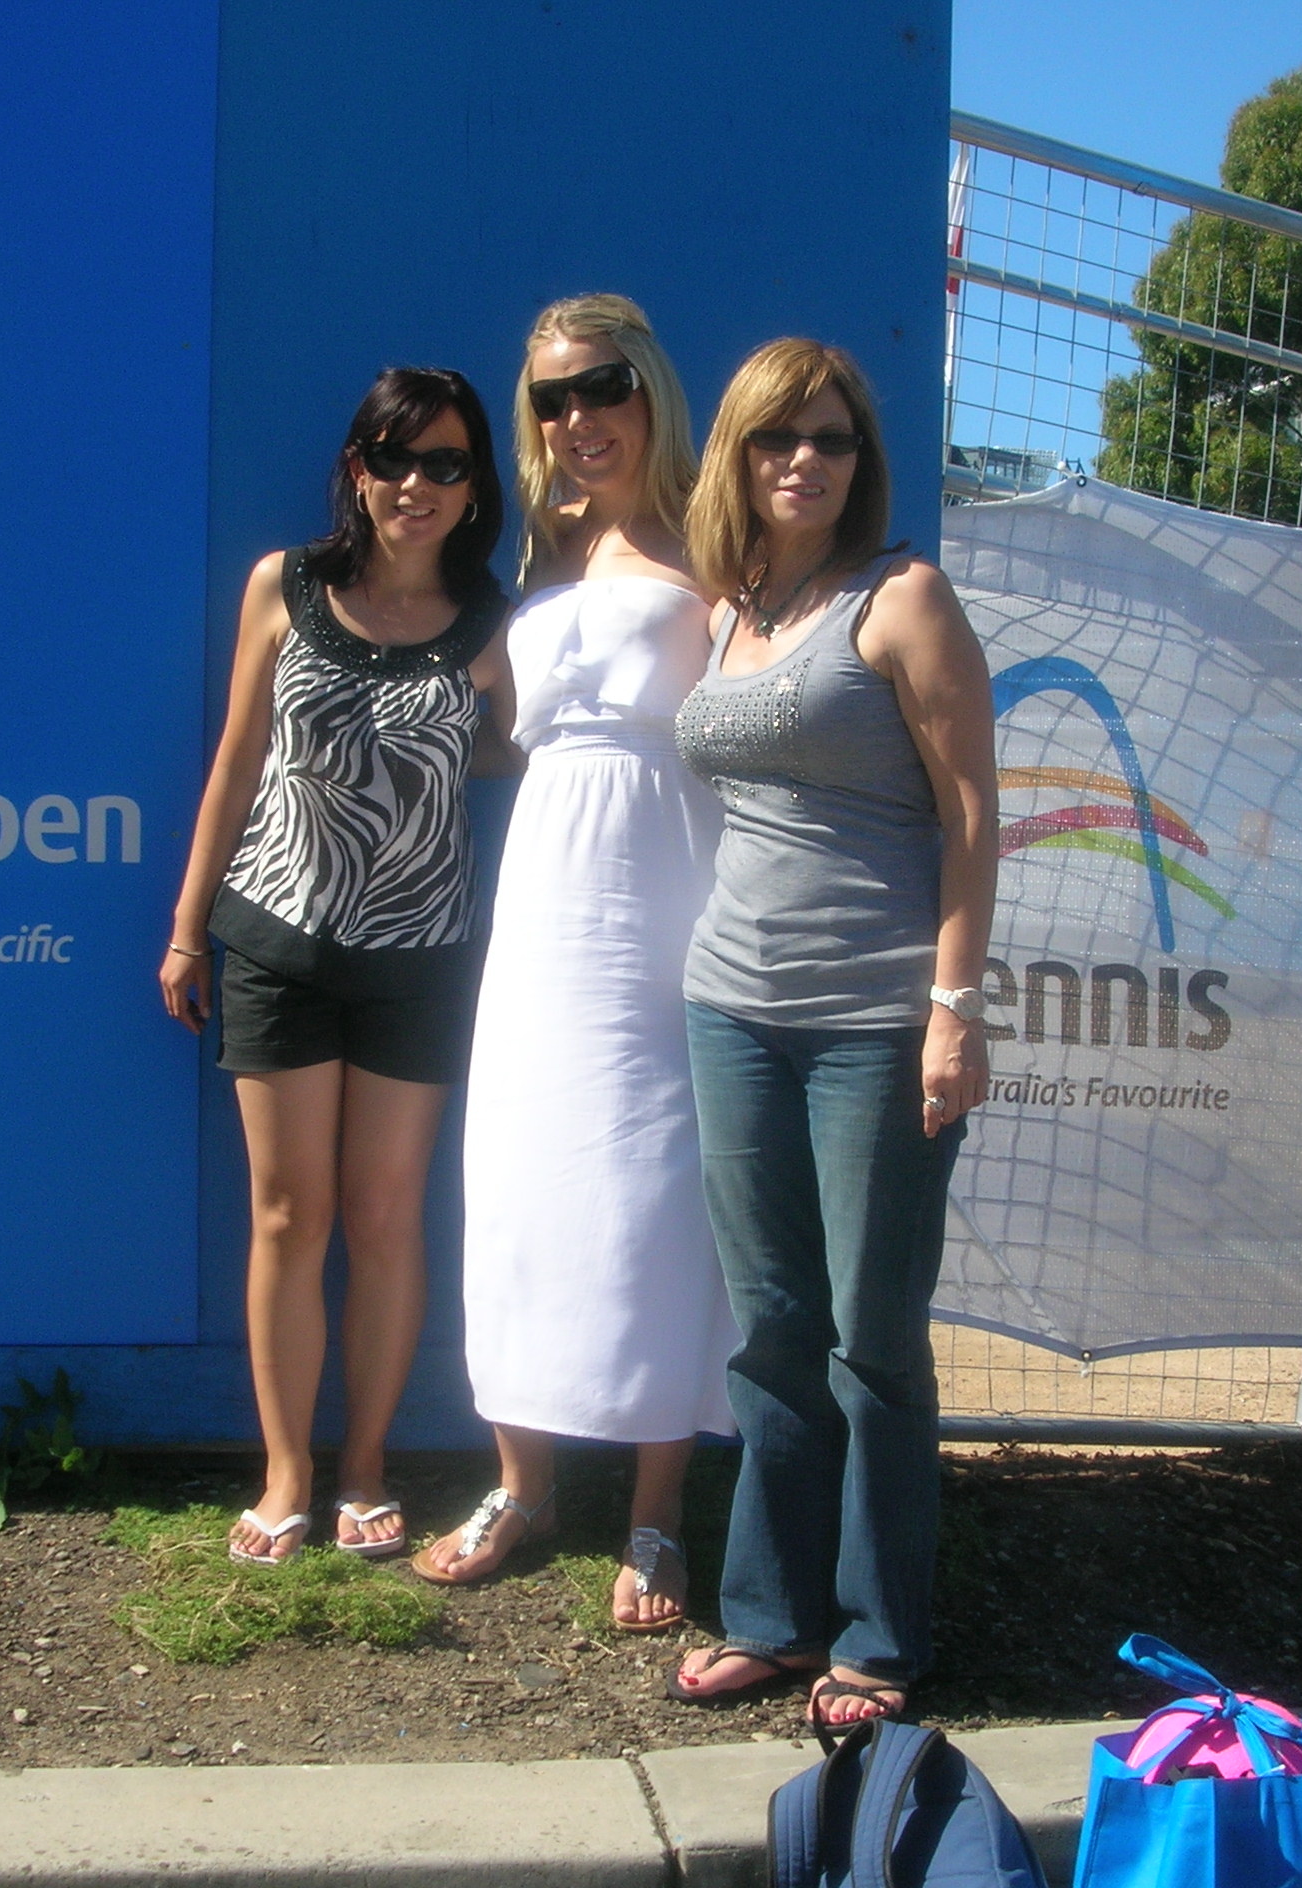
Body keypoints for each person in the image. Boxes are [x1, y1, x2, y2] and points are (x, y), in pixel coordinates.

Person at [663, 339, 998, 1728]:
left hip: (874, 1020)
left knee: (874, 1340)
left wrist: (953, 1010)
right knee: (772, 1330)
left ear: (864, 463)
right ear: (735, 455)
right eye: (775, 439)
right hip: (731, 1006)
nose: (805, 460)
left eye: (834, 439)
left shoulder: (904, 597)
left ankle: (878, 1633)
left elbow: (974, 813)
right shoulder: (730, 610)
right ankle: (770, 1616)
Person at [414, 297, 737, 1633]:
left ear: (650, 389)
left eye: (601, 387)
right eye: (549, 398)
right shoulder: (541, 554)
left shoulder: (718, 543)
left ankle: (658, 1514)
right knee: (522, 1180)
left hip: (667, 894)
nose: (576, 418)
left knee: (660, 1191)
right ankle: (525, 1485)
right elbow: (506, 729)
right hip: (544, 899)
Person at [160, 368, 513, 1567]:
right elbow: (236, 759)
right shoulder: (287, 585)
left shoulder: (496, 621)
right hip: (276, 942)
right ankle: (287, 1471)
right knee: (287, 1213)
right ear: (357, 469)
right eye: (394, 459)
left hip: (421, 955)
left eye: (448, 464)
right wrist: (185, 925)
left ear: (476, 489)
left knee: (383, 1213)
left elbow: (528, 753)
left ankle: (366, 1462)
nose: (417, 485)